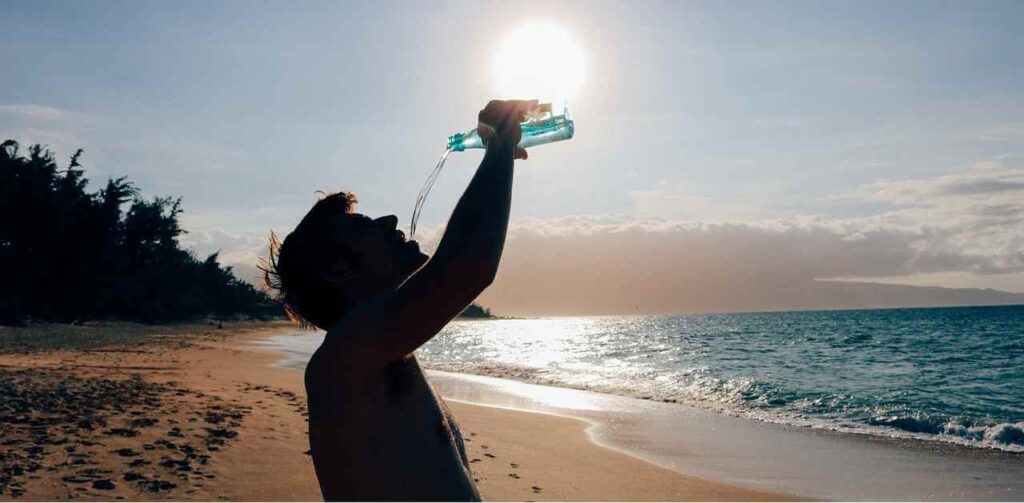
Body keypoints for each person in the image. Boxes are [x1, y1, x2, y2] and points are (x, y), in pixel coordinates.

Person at [263, 99, 537, 501]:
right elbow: (467, 267)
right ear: (339, 270)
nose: (389, 221)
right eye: (364, 226)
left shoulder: (381, 353)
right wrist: (498, 149)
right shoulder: (344, 356)